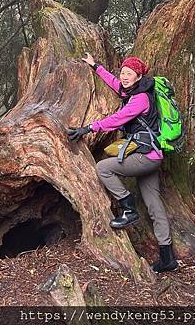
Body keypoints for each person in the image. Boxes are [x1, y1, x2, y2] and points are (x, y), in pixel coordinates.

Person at [67, 52, 178, 273]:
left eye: (129, 74)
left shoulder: (140, 99)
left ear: (139, 76)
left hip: (146, 157)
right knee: (154, 205)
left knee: (103, 168)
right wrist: (95, 65)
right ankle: (168, 258)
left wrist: (88, 128)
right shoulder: (136, 90)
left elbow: (118, 119)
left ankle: (128, 209)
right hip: (152, 154)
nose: (124, 76)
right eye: (123, 72)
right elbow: (116, 84)